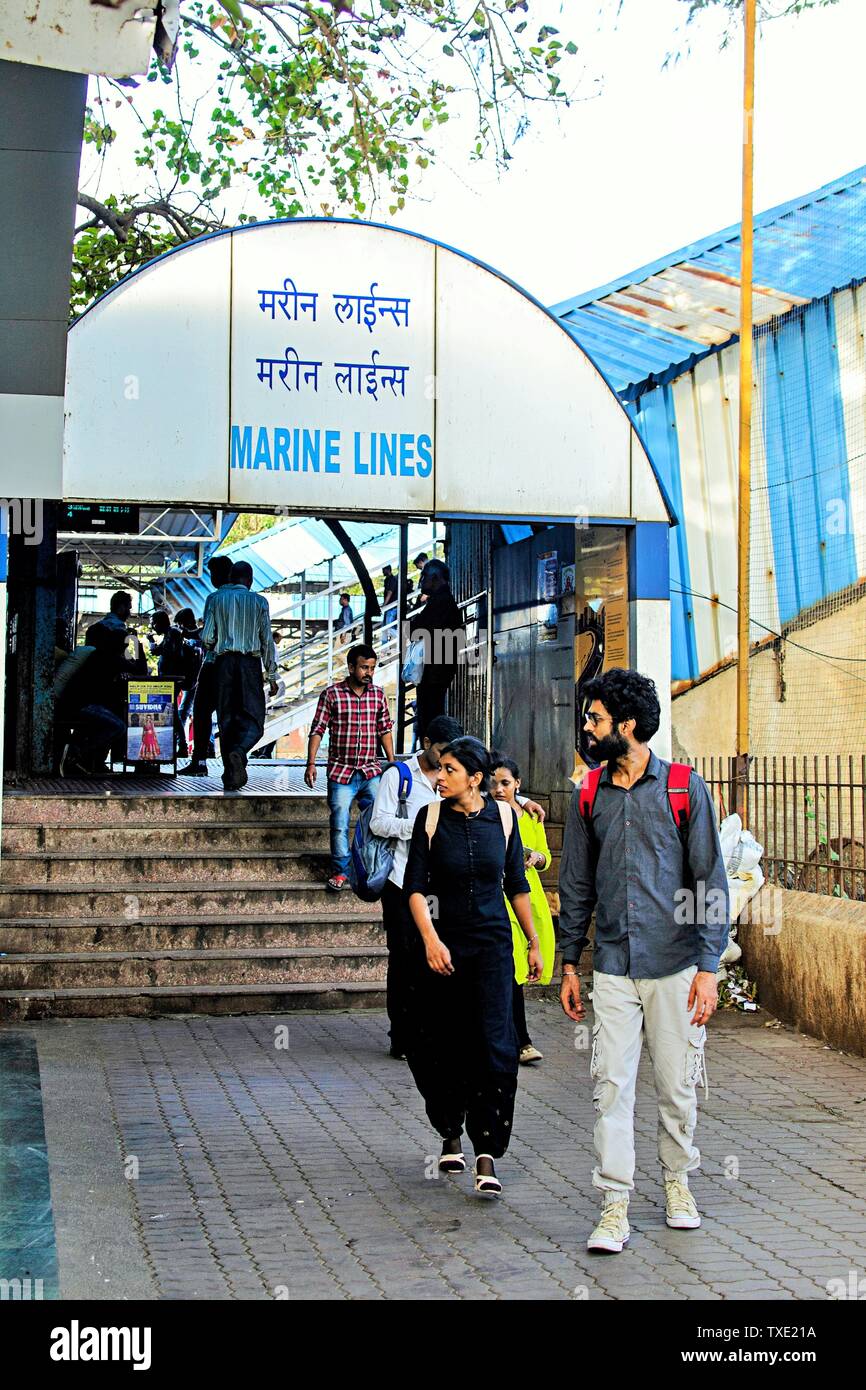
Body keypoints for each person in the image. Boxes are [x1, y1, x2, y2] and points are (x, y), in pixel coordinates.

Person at [558, 667, 729, 1254]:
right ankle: (614, 1205)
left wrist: (709, 967)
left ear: (626, 725)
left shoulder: (684, 788)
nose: (587, 726)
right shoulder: (587, 794)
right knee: (611, 1085)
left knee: (677, 1087)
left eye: (596, 718)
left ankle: (678, 1184)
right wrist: (569, 963)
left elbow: (709, 880)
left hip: (677, 966)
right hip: (611, 965)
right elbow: (575, 883)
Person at [403, 737, 542, 1197]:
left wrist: (534, 942)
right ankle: (449, 1132)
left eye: (449, 770)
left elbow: (517, 884)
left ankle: (486, 1151)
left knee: (494, 1045)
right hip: (441, 949)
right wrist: (429, 940)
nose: (439, 777)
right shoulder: (430, 818)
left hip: (492, 949)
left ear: (475, 778)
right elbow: (416, 888)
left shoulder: (504, 818)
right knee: (436, 1042)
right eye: (439, 769)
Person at [370, 713, 464, 1060]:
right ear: (426, 744)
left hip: (439, 883)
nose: (445, 761)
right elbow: (379, 823)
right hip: (400, 881)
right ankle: (402, 1035)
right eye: (441, 751)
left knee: (437, 957)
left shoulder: (453, 777)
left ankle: (431, 1030)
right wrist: (421, 828)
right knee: (404, 957)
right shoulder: (399, 776)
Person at [305, 644, 395, 891]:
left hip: (371, 772)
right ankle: (341, 872)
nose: (369, 672)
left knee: (380, 820)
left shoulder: (378, 695)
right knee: (340, 822)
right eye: (364, 667)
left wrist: (392, 761)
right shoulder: (331, 695)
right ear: (352, 667)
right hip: (341, 772)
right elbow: (317, 730)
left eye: (372, 668)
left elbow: (385, 730)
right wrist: (311, 763)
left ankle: (377, 868)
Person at [490, 754, 557, 1065]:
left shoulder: (530, 817)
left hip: (528, 897)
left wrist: (536, 859)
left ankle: (515, 1039)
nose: (499, 789)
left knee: (520, 968)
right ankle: (522, 1040)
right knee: (512, 969)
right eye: (494, 783)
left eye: (506, 783)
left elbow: (544, 855)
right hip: (499, 899)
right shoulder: (487, 813)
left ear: (517, 784)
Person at [201, 559, 279, 791]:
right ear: (250, 580)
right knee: (254, 718)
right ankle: (240, 751)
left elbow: (206, 638)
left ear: (230, 578)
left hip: (223, 664)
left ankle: (230, 775)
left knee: (227, 720)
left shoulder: (215, 599)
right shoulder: (259, 602)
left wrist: (221, 642)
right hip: (249, 665)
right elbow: (267, 641)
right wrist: (272, 674)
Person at [179, 555, 234, 776]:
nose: (211, 578)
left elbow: (209, 636)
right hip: (239, 665)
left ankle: (199, 762)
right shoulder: (251, 600)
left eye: (212, 574)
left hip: (215, 662)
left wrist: (202, 640)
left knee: (201, 711)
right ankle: (232, 764)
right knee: (229, 716)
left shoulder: (215, 598)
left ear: (221, 574)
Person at [55, 624, 127, 777]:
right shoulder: (103, 655)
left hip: (73, 702)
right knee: (118, 726)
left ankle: (85, 759)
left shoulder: (96, 655)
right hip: (80, 705)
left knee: (106, 719)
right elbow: (139, 667)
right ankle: (75, 753)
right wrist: (137, 643)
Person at [407, 558, 464, 743]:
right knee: (431, 715)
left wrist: (414, 621)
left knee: (429, 718)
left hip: (434, 671)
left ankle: (431, 758)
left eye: (423, 576)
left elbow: (414, 631)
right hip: (439, 669)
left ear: (434, 578)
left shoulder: (440, 602)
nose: (421, 581)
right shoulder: (445, 602)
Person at [148, 610, 190, 759]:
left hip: (171, 679)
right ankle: (179, 744)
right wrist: (151, 641)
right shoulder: (169, 635)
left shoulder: (173, 634)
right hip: (167, 679)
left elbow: (170, 652)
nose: (152, 626)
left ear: (160, 622)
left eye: (153, 623)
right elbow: (156, 651)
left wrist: (156, 645)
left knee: (172, 711)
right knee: (171, 711)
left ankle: (181, 744)